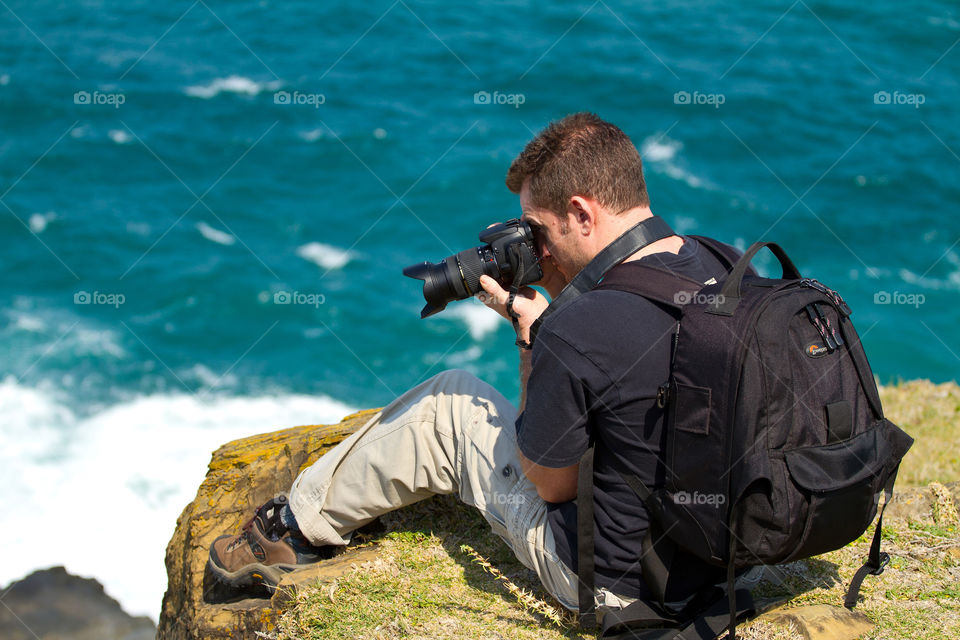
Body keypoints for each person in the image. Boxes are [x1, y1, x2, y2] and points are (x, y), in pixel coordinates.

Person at [208, 112, 738, 614]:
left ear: (581, 213)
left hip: (619, 587)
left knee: (449, 405)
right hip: (732, 560)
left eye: (536, 230)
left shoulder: (582, 325)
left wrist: (536, 337)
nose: (539, 249)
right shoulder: (725, 263)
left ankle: (290, 531)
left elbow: (550, 484)